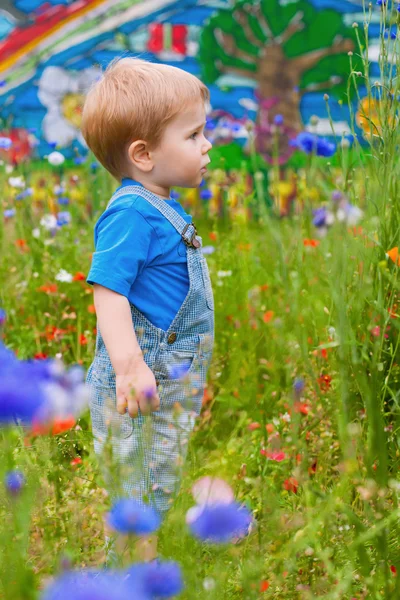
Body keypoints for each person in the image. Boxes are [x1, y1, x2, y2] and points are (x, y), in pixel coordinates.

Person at [81, 57, 214, 563]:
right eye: (194, 134)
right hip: (142, 387)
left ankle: (143, 564)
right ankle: (132, 576)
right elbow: (108, 290)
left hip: (168, 384)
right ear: (143, 153)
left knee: (157, 480)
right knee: (138, 492)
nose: (207, 146)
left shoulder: (161, 205)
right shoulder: (131, 213)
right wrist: (129, 364)